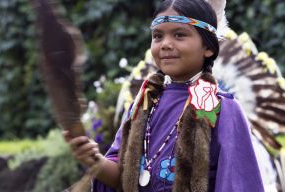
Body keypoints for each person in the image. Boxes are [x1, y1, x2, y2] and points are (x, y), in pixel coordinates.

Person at [63, 0, 264, 191]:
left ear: (209, 48)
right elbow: (123, 178)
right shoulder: (143, 104)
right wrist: (94, 160)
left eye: (179, 35)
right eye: (158, 36)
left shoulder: (223, 108)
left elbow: (237, 184)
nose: (165, 44)